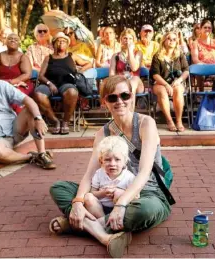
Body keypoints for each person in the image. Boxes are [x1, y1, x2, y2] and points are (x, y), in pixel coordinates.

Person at [49, 75, 171, 258]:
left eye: (125, 95)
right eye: (112, 98)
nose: (119, 101)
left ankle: (80, 224)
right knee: (59, 189)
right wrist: (77, 202)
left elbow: (145, 172)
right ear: (105, 101)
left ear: (132, 97)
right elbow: (89, 175)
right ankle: (105, 224)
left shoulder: (146, 124)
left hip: (147, 194)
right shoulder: (102, 133)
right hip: (106, 197)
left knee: (144, 211)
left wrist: (121, 203)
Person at [34, 32, 92, 135]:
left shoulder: (72, 56)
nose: (61, 42)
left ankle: (65, 122)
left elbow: (89, 63)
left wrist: (80, 71)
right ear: (53, 44)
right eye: (58, 41)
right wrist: (49, 84)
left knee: (72, 92)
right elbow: (41, 76)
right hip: (49, 84)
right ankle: (55, 121)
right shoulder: (48, 58)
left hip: (66, 84)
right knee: (39, 94)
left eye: (64, 41)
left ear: (67, 44)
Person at [81, 136, 137, 219]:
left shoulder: (129, 177)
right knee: (88, 197)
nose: (112, 164)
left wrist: (120, 192)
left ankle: (103, 224)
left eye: (117, 159)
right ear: (101, 161)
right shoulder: (99, 173)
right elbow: (93, 192)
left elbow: (136, 196)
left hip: (121, 208)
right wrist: (103, 193)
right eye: (107, 160)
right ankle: (104, 221)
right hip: (100, 208)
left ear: (125, 161)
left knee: (119, 194)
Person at [150, 31, 189, 132]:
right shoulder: (157, 56)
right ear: (164, 41)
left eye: (174, 39)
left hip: (176, 82)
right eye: (169, 39)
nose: (171, 41)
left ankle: (179, 121)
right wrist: (166, 84)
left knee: (178, 90)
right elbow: (155, 74)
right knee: (162, 91)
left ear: (177, 42)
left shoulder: (180, 55)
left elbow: (186, 71)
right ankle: (169, 120)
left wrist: (179, 81)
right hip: (160, 83)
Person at [0, 33, 34, 114]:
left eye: (16, 39)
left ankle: (17, 122)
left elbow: (27, 74)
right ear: (5, 42)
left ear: (19, 43)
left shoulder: (23, 57)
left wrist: (11, 82)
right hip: (0, 85)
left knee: (15, 96)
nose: (13, 40)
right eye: (10, 39)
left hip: (20, 84)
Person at [110, 28, 144, 108]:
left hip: (136, 84)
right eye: (125, 38)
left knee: (133, 80)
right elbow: (111, 75)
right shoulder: (115, 56)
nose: (127, 40)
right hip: (121, 82)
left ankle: (130, 112)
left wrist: (130, 50)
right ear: (121, 40)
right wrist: (119, 79)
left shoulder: (138, 53)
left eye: (130, 38)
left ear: (134, 40)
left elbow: (134, 68)